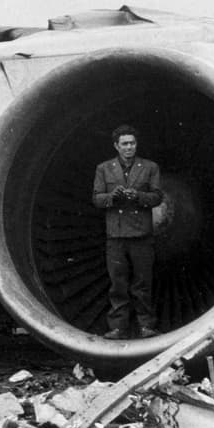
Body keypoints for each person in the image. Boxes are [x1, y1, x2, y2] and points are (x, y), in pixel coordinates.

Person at [92, 125, 164, 339]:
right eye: (124, 144)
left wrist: (138, 196)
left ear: (136, 144)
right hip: (116, 235)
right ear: (116, 146)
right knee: (118, 284)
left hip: (141, 234)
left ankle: (146, 326)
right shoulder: (104, 168)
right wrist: (112, 197)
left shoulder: (150, 167)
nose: (129, 147)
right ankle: (118, 327)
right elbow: (97, 198)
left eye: (132, 143)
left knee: (142, 283)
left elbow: (157, 196)